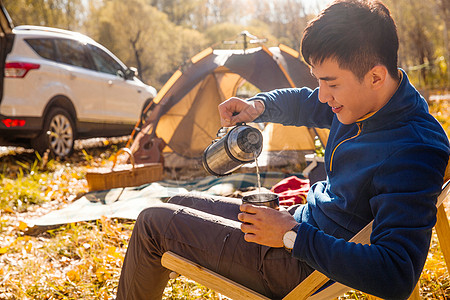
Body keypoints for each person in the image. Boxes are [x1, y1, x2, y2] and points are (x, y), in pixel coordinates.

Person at [116, 0, 450, 299]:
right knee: (177, 202)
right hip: (300, 227)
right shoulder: (365, 102)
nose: (322, 95)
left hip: (300, 264)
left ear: (376, 76)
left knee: (151, 225)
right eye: (318, 79)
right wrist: (256, 106)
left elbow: (396, 274)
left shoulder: (412, 150)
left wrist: (290, 235)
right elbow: (303, 102)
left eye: (331, 83)